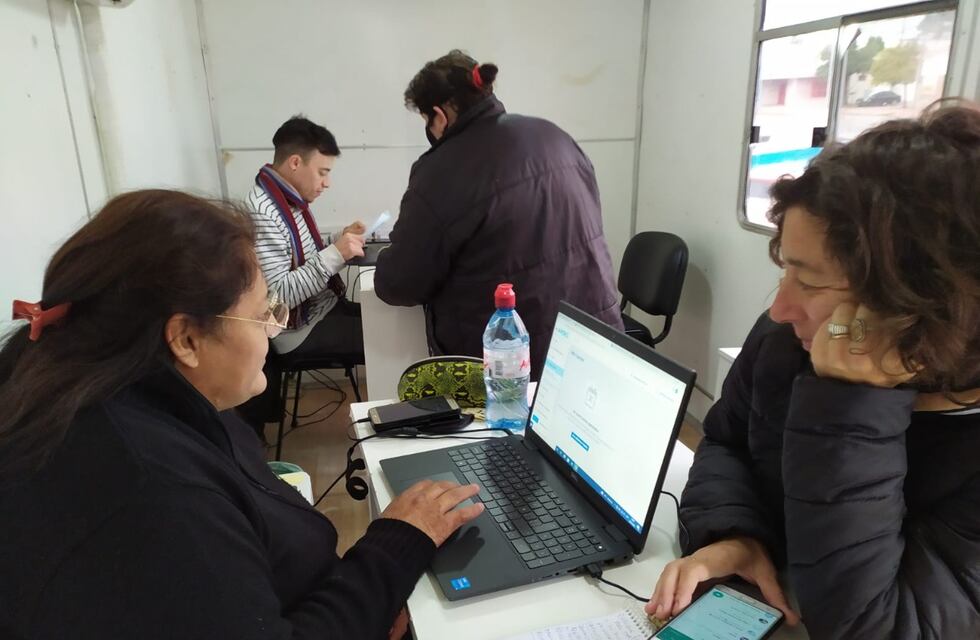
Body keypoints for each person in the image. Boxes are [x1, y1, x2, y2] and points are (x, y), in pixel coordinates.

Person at [0, 190, 483, 639]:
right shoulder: (153, 492)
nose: (273, 328)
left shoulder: (113, 394)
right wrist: (397, 543)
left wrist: (366, 603)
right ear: (186, 339)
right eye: (261, 313)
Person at [646, 103, 980, 639]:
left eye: (813, 282)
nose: (780, 308)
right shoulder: (787, 343)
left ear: (925, 301)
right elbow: (727, 442)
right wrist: (735, 535)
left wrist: (851, 403)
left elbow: (881, 629)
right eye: (786, 270)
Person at [374, 50, 623, 380]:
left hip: (512, 359)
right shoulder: (554, 135)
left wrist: (386, 257)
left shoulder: (441, 170)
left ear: (439, 114)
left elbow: (401, 283)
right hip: (593, 338)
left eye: (426, 121)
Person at [244, 116, 366, 360]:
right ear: (295, 162)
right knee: (384, 338)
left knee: (384, 317)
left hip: (324, 308)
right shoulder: (263, 212)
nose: (326, 183)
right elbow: (277, 298)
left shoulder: (290, 201)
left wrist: (338, 239)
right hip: (298, 332)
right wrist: (336, 254)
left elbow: (304, 257)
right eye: (322, 172)